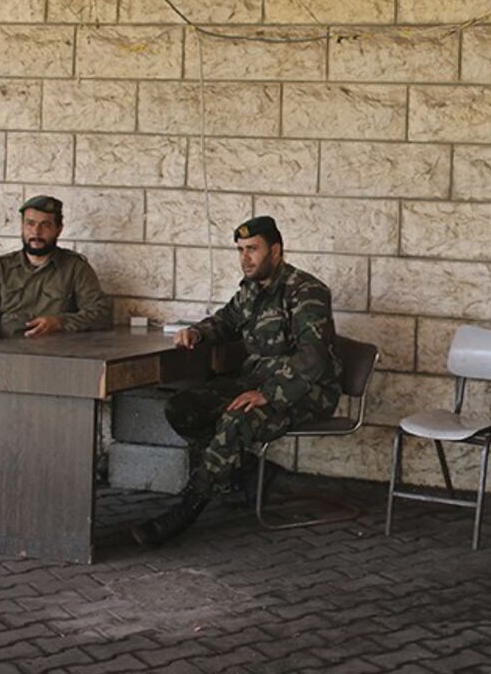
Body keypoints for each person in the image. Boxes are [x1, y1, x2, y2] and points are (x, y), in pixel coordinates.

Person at [132, 215, 342, 548]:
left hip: (306, 392)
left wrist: (268, 394)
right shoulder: (251, 290)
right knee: (183, 407)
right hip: (258, 379)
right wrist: (198, 332)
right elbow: (227, 321)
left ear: (276, 250)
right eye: (241, 250)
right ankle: (251, 473)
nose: (245, 258)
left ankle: (189, 506)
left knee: (235, 418)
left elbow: (313, 358)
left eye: (253, 249)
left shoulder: (306, 291)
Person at [0, 196, 112, 343]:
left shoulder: (75, 268)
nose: (36, 232)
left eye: (45, 225)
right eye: (30, 224)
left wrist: (59, 323)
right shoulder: (1, 268)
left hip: (57, 357)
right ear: (22, 226)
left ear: (58, 229)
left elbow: (101, 314)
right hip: (6, 355)